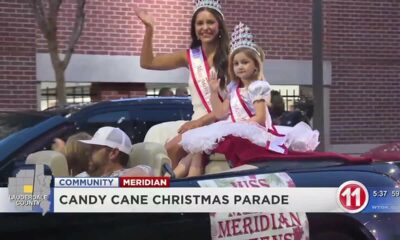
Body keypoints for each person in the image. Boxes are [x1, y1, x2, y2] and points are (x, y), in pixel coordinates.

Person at [178, 23, 319, 176]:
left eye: (245, 62)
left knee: (202, 147)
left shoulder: (258, 87)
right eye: (236, 63)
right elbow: (220, 113)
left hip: (254, 130)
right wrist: (213, 92)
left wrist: (239, 126)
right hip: (233, 127)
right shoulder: (233, 88)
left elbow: (260, 118)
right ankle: (176, 179)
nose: (240, 67)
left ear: (255, 66)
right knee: (197, 148)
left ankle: (185, 182)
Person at [134, 1, 230, 169]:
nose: (205, 27)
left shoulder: (232, 58)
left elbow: (232, 103)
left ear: (220, 25)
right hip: (195, 123)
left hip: (221, 121)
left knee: (173, 147)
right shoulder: (190, 57)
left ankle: (174, 188)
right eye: (199, 23)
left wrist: (198, 123)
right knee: (155, 137)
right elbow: (148, 62)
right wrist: (149, 29)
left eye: (210, 22)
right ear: (194, 28)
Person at [78, 126, 153, 177]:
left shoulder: (135, 172)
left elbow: (142, 173)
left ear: (113, 153)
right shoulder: (84, 177)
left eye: (95, 148)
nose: (88, 152)